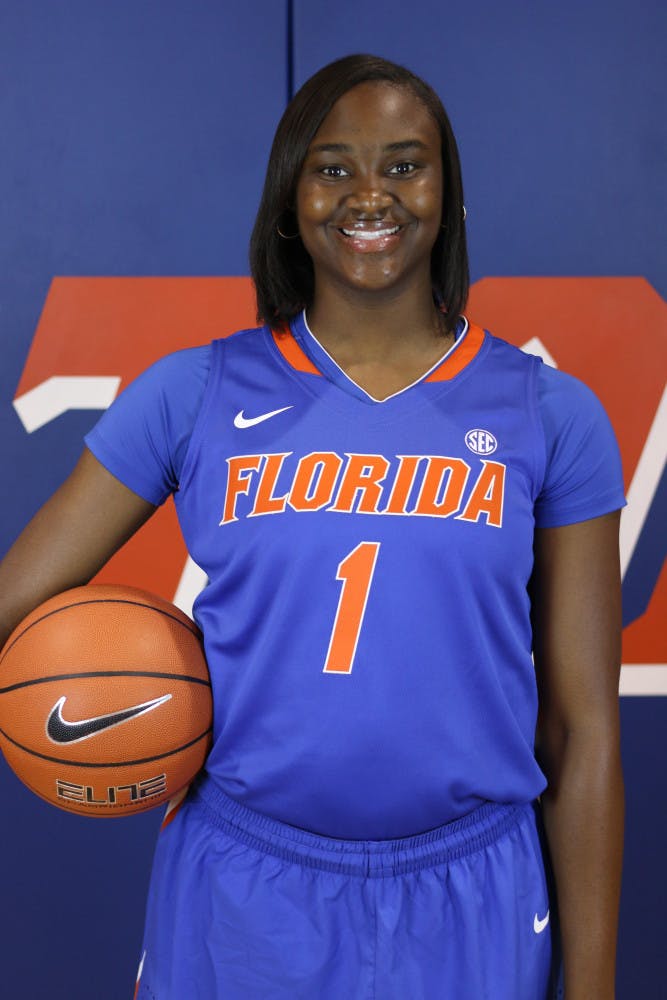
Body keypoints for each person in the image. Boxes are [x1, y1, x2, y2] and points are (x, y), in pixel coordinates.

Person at [0, 54, 625, 999]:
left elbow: (583, 734)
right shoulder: (193, 392)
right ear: (289, 197)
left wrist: (593, 986)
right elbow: (16, 605)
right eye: (332, 167)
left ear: (448, 194)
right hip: (245, 889)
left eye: (404, 164)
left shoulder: (552, 414)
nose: (370, 193)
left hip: (472, 890)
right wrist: (98, 715)